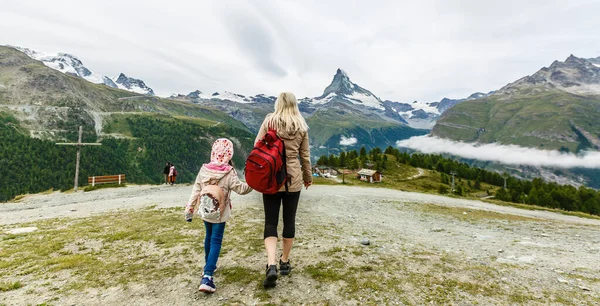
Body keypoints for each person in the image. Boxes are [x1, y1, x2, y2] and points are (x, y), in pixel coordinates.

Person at [254, 92, 312, 288]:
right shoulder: (301, 125)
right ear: (295, 105)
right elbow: (305, 156)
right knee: (289, 220)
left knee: (270, 221)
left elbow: (257, 146)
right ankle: (284, 262)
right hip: (293, 179)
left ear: (278, 103)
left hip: (271, 178)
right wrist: (308, 177)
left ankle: (271, 264)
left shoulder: (270, 121)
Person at [185, 138, 252, 293]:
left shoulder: (204, 170)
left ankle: (208, 267)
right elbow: (241, 189)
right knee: (216, 240)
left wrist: (190, 208)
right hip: (220, 212)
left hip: (205, 209)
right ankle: (207, 277)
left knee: (208, 237)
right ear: (229, 154)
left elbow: (196, 190)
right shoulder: (228, 172)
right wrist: (254, 183)